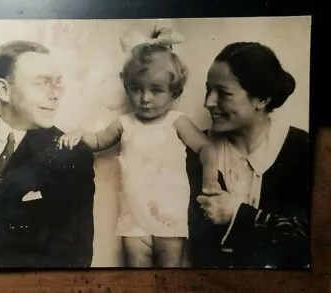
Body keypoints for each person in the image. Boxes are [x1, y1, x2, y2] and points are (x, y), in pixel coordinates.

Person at [58, 28, 220, 268]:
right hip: (134, 219)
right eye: (136, 88)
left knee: (169, 277)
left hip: (170, 218)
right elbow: (99, 141)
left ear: (174, 92)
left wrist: (210, 182)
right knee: (137, 278)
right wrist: (80, 134)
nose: (145, 98)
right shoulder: (125, 123)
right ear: (127, 87)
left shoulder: (177, 122)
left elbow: (207, 149)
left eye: (156, 90)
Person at [0, 40, 96, 268]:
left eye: (57, 82)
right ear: (4, 90)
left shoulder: (71, 155)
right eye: (42, 83)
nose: (56, 94)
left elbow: (74, 258)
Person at [187, 42, 310, 268]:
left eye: (223, 93)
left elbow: (313, 240)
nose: (208, 102)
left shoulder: (303, 149)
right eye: (208, 89)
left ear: (262, 99)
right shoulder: (193, 150)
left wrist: (237, 215)